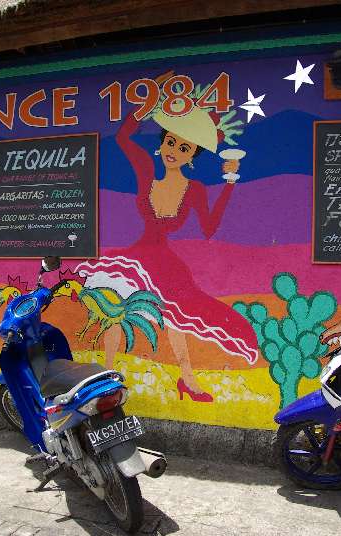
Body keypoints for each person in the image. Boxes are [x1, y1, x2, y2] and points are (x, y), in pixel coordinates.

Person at [77, 72, 258, 402]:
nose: (175, 150)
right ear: (161, 145)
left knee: (176, 315)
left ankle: (187, 379)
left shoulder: (195, 190)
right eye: (171, 142)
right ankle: (106, 376)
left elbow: (209, 228)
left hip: (163, 261)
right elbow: (123, 138)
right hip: (136, 257)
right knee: (116, 311)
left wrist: (230, 183)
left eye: (184, 147)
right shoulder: (146, 172)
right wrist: (146, 105)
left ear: (192, 156)